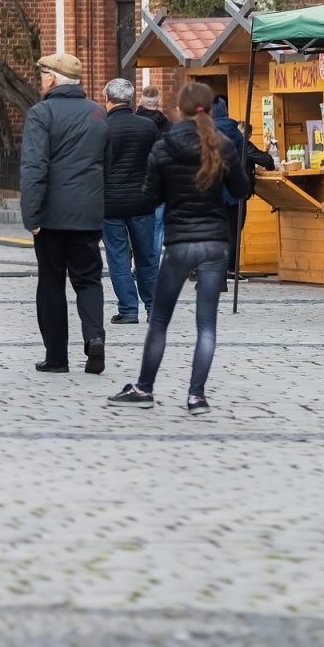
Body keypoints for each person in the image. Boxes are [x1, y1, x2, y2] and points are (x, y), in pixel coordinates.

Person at [109, 82, 251, 413]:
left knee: (159, 321)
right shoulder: (222, 144)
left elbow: (150, 197)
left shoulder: (166, 145)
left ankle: (144, 388)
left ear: (179, 109)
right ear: (210, 109)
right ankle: (196, 395)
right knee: (206, 325)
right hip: (215, 242)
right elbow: (240, 189)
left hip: (180, 242)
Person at [21, 52, 109, 374]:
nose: (41, 80)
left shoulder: (41, 113)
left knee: (51, 283)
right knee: (89, 280)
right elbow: (106, 162)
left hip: (52, 216)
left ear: (52, 78)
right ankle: (94, 337)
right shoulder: (98, 113)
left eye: (43, 74)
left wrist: (31, 214)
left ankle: (57, 356)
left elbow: (34, 167)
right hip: (87, 213)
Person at [101, 78, 162, 324]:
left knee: (118, 257)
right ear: (130, 99)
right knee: (146, 257)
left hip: (110, 203)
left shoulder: (101, 127)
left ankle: (128, 310)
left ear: (107, 98)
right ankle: (153, 308)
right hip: (142, 202)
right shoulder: (148, 126)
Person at [212, 98, 275, 281]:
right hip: (234, 192)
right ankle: (230, 270)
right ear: (225, 112)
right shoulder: (238, 136)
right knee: (233, 231)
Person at [137, 83, 170, 250]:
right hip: (159, 186)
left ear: (141, 100)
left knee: (134, 229)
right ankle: (152, 264)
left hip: (134, 184)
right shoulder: (169, 127)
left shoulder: (132, 123)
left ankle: (136, 260)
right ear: (159, 101)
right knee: (156, 230)